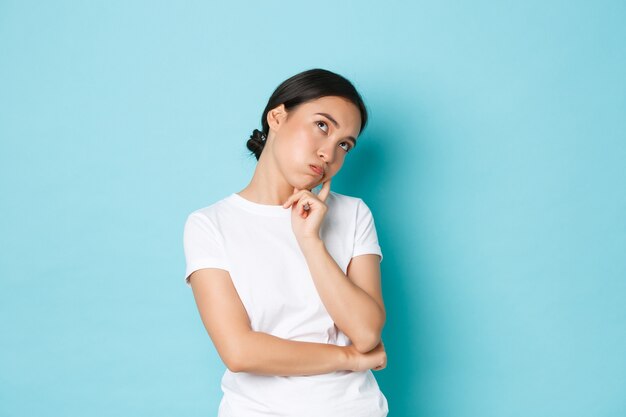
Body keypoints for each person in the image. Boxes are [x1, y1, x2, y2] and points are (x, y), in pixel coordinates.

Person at [182, 68, 389, 416]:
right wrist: (349, 357)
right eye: (322, 125)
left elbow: (367, 332)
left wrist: (310, 242)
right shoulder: (209, 224)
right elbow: (240, 352)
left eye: (344, 145)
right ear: (277, 116)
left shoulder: (353, 214)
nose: (329, 153)